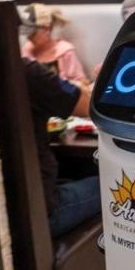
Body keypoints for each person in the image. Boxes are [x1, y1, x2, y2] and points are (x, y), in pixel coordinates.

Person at [22, 58, 100, 237]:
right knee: (114, 186)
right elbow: (87, 105)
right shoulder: (27, 72)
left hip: (7, 213)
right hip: (42, 213)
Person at [21, 3, 89, 84]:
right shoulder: (27, 49)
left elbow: (82, 84)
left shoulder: (65, 51)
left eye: (32, 33)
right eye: (27, 32)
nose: (28, 37)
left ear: (47, 29)